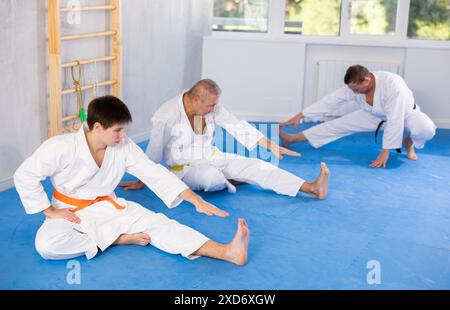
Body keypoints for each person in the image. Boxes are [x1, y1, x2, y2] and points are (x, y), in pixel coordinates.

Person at [14, 95, 249, 265]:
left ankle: (227, 251)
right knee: (47, 245)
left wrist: (193, 198)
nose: (124, 136)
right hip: (69, 210)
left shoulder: (122, 146)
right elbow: (25, 175)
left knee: (160, 224)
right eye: (117, 130)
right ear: (98, 127)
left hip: (108, 206)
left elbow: (153, 172)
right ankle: (116, 239)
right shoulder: (60, 147)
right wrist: (49, 211)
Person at [119, 79, 330, 200]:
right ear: (194, 99)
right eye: (210, 106)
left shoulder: (209, 106)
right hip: (184, 170)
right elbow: (154, 150)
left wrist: (271, 145)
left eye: (215, 105)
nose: (214, 109)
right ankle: (230, 179)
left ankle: (310, 187)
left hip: (213, 156)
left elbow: (235, 125)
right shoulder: (166, 115)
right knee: (210, 178)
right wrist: (141, 180)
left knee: (258, 166)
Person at [279, 65, 436, 168]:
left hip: (406, 114)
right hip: (374, 115)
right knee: (336, 125)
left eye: (356, 89)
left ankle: (409, 142)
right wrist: (301, 115)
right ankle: (291, 139)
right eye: (351, 89)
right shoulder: (355, 85)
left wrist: (385, 151)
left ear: (367, 80)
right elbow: (331, 101)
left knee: (427, 129)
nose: (353, 92)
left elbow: (395, 119)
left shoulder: (393, 84)